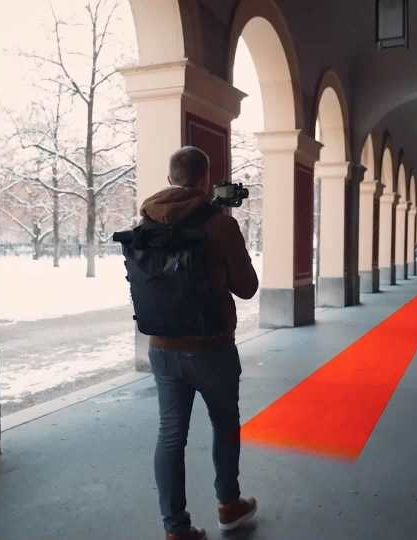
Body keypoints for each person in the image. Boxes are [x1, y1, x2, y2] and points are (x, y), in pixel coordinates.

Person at [140, 146, 259, 540]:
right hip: (211, 347)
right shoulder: (218, 225)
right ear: (206, 179)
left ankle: (176, 528)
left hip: (161, 345)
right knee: (224, 424)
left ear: (171, 178)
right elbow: (247, 287)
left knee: (170, 435)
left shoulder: (145, 220)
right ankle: (229, 504)